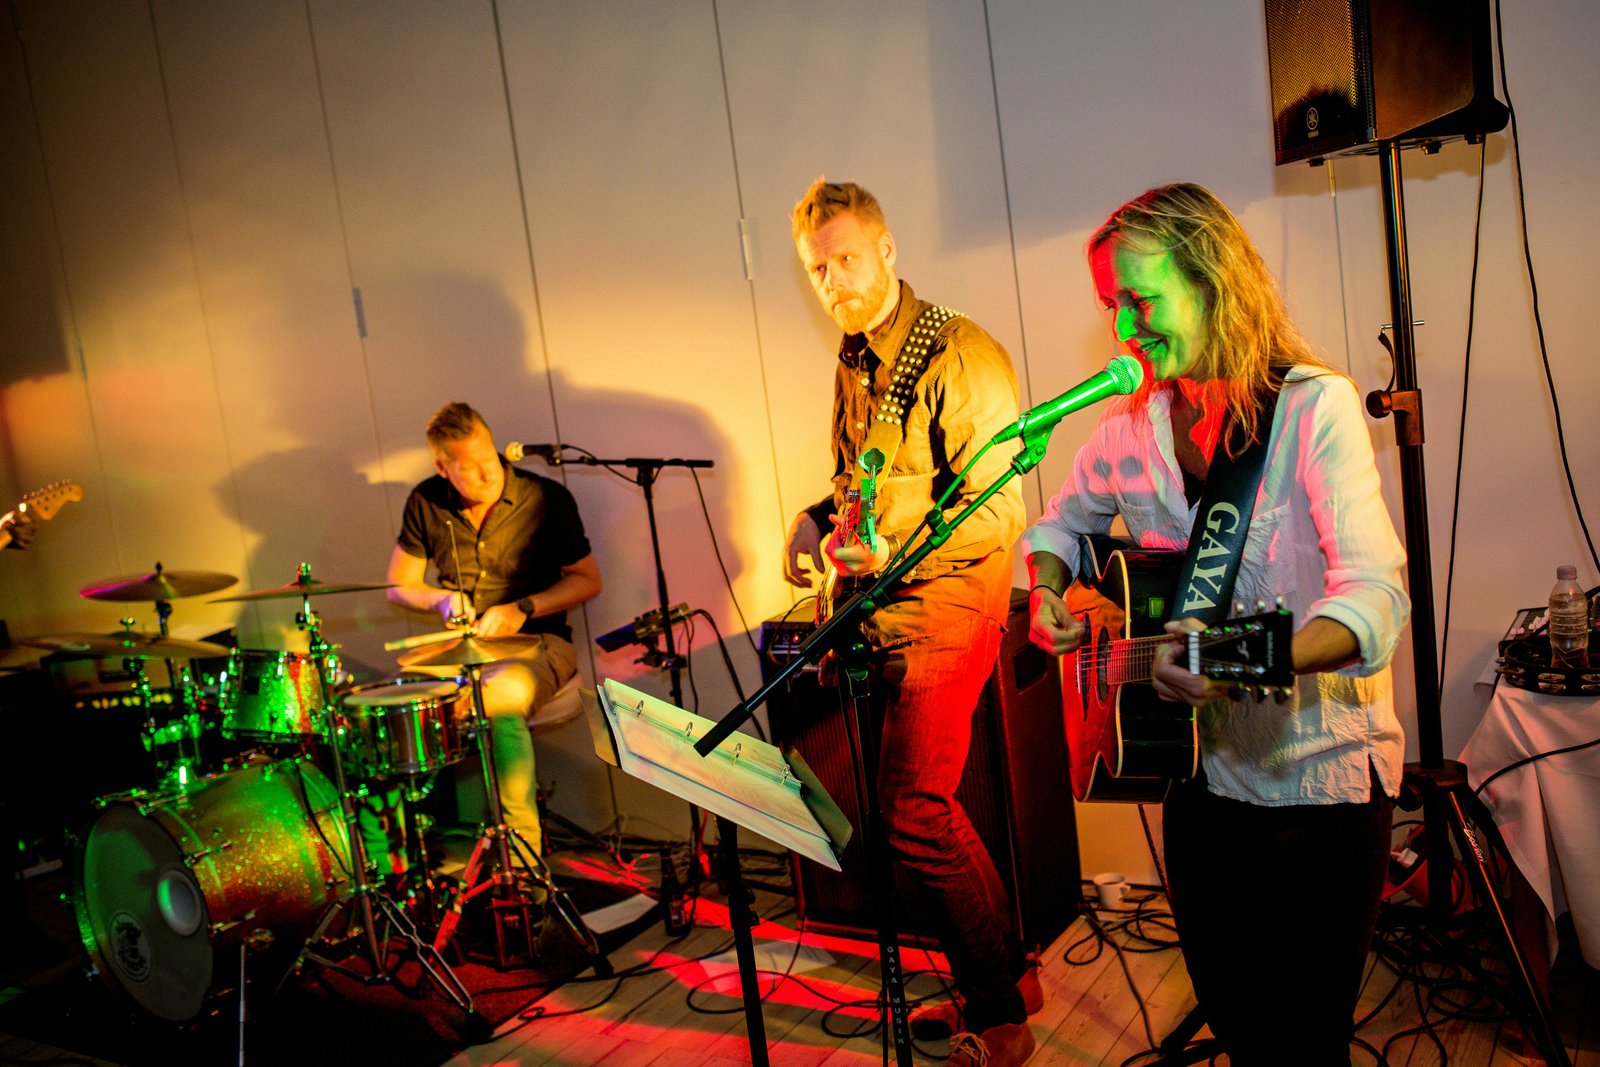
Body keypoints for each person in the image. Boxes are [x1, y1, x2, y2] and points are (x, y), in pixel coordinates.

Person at [1023, 182, 1410, 1065]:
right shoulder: (1127, 431)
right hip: (1199, 780)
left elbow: (1374, 600)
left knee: (1303, 1044)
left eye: (1140, 299)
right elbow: (1056, 527)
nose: (1124, 330)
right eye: (1110, 306)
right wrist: (1051, 591)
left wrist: (1233, 661)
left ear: (1212, 282)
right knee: (1242, 1031)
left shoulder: (1314, 408)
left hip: (1319, 782)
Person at [783, 179, 1037, 1066]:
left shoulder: (959, 353)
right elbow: (866, 479)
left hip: (950, 603)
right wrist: (820, 519)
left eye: (846, 258)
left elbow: (997, 511)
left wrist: (883, 550)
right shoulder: (855, 359)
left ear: (888, 252)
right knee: (899, 807)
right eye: (817, 268)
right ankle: (1011, 969)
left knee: (915, 813)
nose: (833, 280)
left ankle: (1002, 1008)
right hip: (886, 603)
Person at [378, 402, 601, 877]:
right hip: (463, 647)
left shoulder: (543, 498)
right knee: (391, 705)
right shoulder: (426, 501)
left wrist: (523, 608)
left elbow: (586, 581)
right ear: (442, 468)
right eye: (473, 469)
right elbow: (399, 584)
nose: (490, 473)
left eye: (492, 458)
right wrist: (438, 600)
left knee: (494, 703)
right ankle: (412, 862)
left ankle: (523, 869)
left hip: (540, 643)